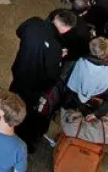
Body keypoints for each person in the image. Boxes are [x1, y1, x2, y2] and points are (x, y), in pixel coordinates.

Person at [10, 9, 77, 151]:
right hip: (34, 88)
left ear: (56, 17)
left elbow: (18, 32)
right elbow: (53, 75)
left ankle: (7, 122)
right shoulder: (56, 48)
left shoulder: (34, 22)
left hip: (18, 73)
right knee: (28, 112)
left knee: (13, 99)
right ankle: (22, 138)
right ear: (66, 29)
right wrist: (60, 56)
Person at [60, 38, 108, 121]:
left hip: (70, 103)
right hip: (90, 109)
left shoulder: (77, 62)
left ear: (91, 49)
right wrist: (96, 114)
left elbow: (64, 79)